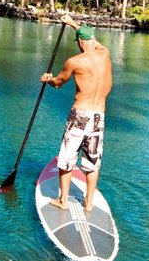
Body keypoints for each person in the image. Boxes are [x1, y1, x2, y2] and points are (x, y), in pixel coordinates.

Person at [39, 14, 113, 212]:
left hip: (80, 115)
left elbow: (58, 83)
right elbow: (91, 40)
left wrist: (48, 79)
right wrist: (73, 24)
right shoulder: (105, 54)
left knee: (67, 158)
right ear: (93, 40)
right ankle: (88, 203)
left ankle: (63, 200)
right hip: (99, 116)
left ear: (80, 42)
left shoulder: (74, 61)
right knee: (92, 162)